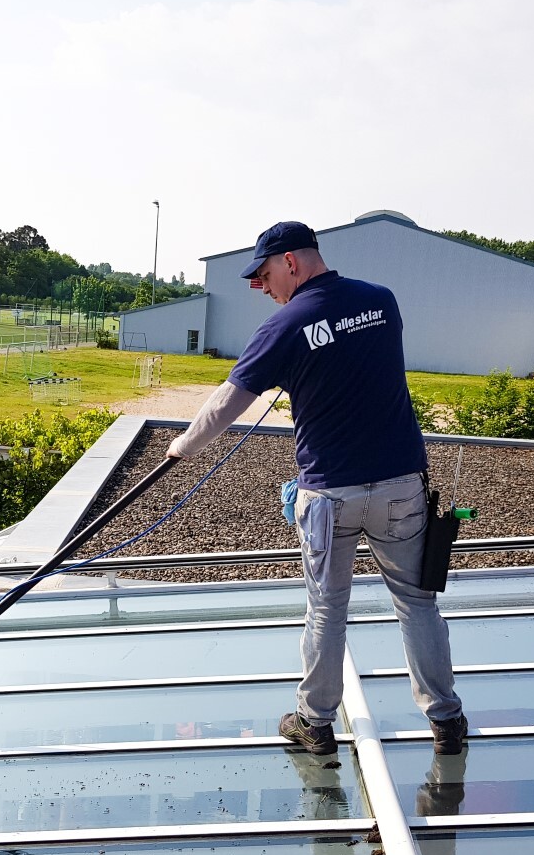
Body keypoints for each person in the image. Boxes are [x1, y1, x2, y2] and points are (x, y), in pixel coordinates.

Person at [166, 221, 466, 756]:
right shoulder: (382, 301)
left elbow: (225, 407)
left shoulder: (285, 326)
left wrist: (182, 449)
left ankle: (316, 722)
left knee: (327, 608)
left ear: (291, 262)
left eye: (263, 274)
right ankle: (446, 721)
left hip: (329, 494)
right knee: (418, 605)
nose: (260, 287)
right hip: (401, 485)